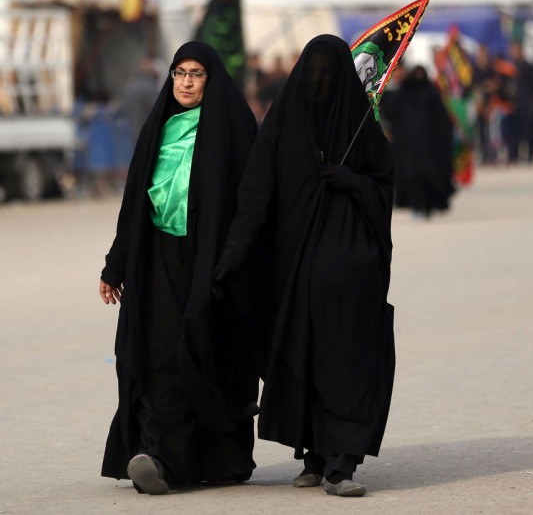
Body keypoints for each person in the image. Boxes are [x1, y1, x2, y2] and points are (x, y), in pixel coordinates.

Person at [215, 34, 395, 498]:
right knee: (304, 358)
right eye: (311, 72)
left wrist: (353, 181)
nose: (319, 81)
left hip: (352, 267)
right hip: (292, 270)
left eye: (328, 73)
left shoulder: (359, 124)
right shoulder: (283, 124)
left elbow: (384, 185)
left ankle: (343, 463)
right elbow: (256, 194)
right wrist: (234, 254)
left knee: (349, 359)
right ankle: (314, 454)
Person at [98, 41, 260, 494]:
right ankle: (158, 456)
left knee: (212, 354)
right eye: (179, 73)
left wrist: (236, 262)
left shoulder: (234, 127)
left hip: (214, 265)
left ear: (212, 78)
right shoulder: (159, 127)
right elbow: (135, 201)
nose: (186, 83)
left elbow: (254, 202)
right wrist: (115, 265)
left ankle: (221, 457)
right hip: (159, 259)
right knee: (161, 353)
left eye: (196, 74)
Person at [381, 65, 454, 217]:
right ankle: (416, 206)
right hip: (408, 148)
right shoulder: (402, 93)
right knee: (413, 177)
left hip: (430, 147)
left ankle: (430, 205)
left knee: (430, 176)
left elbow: (442, 122)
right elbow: (389, 113)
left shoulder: (432, 95)